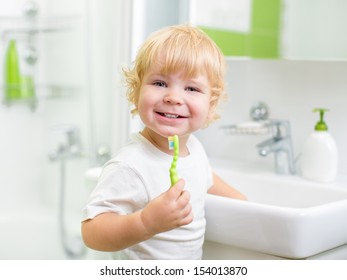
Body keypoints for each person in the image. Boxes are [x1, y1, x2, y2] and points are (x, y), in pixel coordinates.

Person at [81, 24, 246, 260]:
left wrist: (240, 201)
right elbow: (92, 231)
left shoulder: (195, 148)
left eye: (191, 88)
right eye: (160, 83)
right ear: (136, 92)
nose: (173, 97)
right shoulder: (130, 165)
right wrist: (146, 222)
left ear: (211, 105)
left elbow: (204, 176)